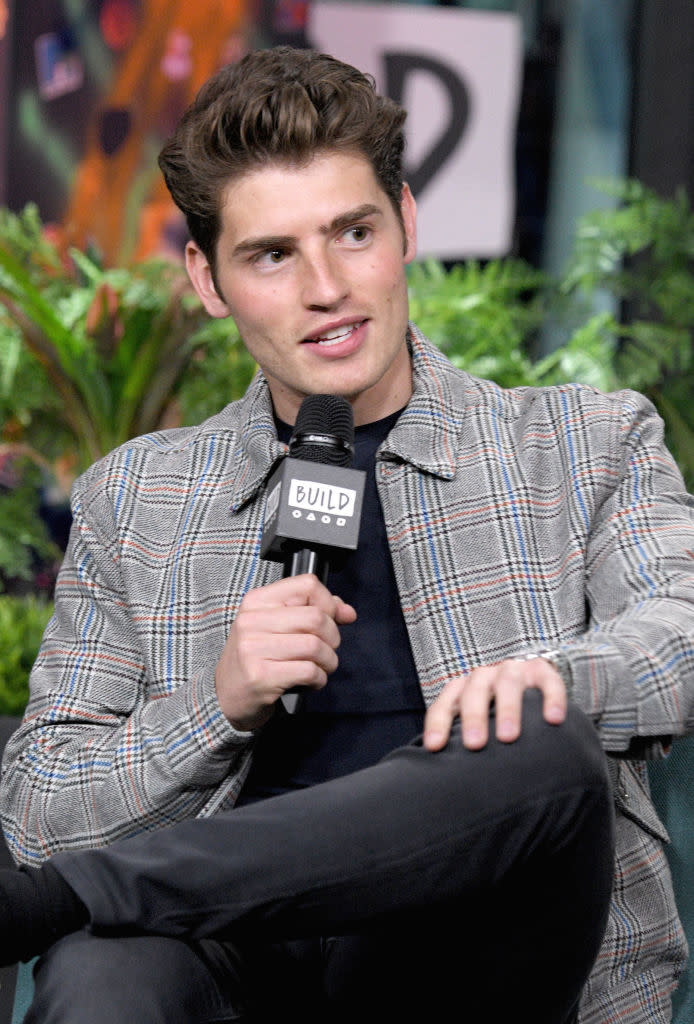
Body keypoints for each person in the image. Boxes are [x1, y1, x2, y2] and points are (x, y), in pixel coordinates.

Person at [0, 45, 691, 1024]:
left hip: (475, 957)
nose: (325, 286)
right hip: (233, 960)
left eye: (353, 232)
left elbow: (682, 630)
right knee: (104, 977)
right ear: (205, 278)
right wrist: (218, 703)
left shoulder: (581, 442)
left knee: (538, 734)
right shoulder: (135, 499)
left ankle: (88, 895)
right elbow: (36, 807)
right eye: (272, 254)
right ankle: (96, 905)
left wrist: (556, 680)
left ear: (406, 223)